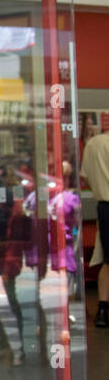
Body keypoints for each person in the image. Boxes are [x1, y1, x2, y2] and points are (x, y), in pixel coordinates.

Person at [84, 129, 109, 328]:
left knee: (107, 260)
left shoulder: (93, 144)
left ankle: (102, 310)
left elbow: (85, 176)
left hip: (103, 206)